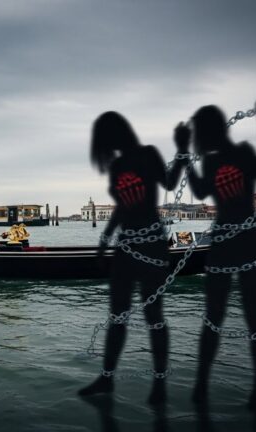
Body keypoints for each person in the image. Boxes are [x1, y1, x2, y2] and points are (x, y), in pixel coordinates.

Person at [79, 111, 190, 405]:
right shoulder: (117, 166)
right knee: (117, 316)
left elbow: (169, 183)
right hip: (125, 248)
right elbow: (122, 207)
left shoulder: (148, 154)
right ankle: (106, 378)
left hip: (152, 246)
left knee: (154, 316)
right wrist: (104, 241)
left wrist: (181, 150)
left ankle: (160, 384)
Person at [185, 95, 256, 410]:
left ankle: (204, 387)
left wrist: (186, 159)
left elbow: (201, 189)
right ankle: (251, 389)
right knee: (246, 317)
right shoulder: (224, 157)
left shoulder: (224, 158)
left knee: (225, 317)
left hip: (231, 241)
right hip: (242, 240)